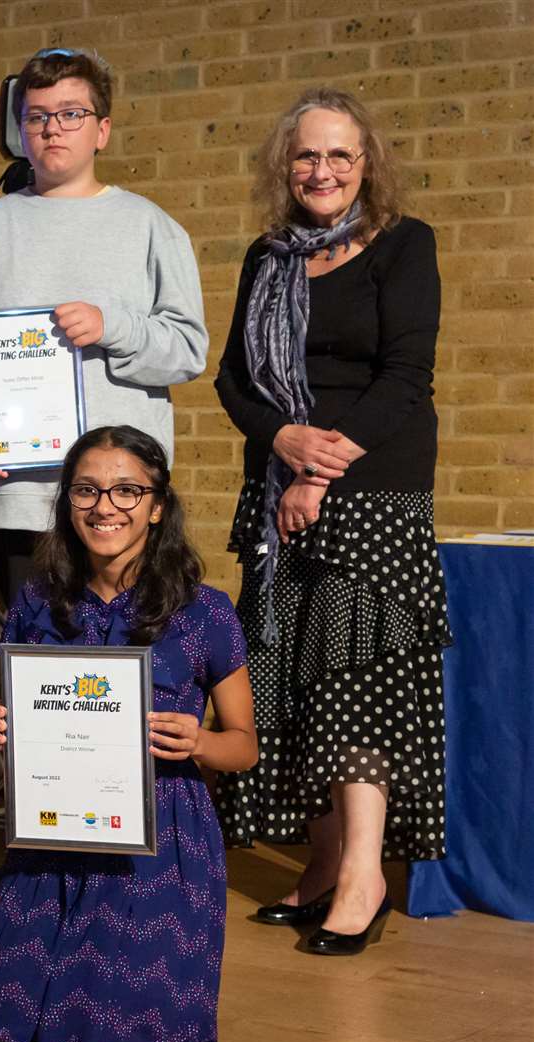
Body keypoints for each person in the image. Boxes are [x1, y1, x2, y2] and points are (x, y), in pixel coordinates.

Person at [212, 87, 449, 955]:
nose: (322, 170)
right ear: (287, 163)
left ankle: (364, 873)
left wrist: (317, 463)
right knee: (290, 683)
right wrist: (281, 437)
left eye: (340, 155)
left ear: (366, 164)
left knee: (356, 683)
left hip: (372, 487)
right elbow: (234, 379)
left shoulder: (403, 245)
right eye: (308, 155)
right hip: (277, 488)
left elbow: (406, 377)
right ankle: (317, 867)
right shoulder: (266, 258)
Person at [0, 425, 258, 1042]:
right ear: (67, 504)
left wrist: (200, 740)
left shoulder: (206, 611)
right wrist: (2, 735)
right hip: (55, 830)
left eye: (127, 490)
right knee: (6, 1008)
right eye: (87, 490)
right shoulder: (36, 601)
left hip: (160, 843)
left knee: (127, 1017)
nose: (105, 507)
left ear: (157, 505)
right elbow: (17, 731)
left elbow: (245, 748)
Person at [0, 48, 207, 624]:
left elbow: (188, 349)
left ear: (102, 130)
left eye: (71, 113)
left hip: (118, 499)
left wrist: (113, 328)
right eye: (37, 115)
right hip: (17, 496)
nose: (52, 127)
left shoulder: (151, 225)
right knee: (37, 677)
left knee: (120, 673)